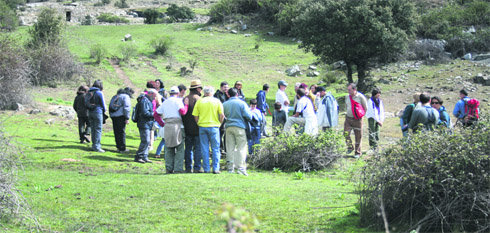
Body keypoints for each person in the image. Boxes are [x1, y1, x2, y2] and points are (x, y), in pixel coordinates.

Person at [155, 86, 189, 173]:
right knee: (180, 148)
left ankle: (169, 168)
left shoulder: (165, 102)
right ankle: (178, 168)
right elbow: (183, 112)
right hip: (178, 126)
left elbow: (156, 114)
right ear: (177, 94)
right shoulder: (178, 101)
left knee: (168, 148)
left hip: (168, 126)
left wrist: (162, 123)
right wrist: (186, 105)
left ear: (170, 93)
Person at [193, 86, 225, 174]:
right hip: (214, 126)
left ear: (204, 92)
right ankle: (216, 168)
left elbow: (195, 115)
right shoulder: (217, 101)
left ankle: (206, 168)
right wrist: (219, 124)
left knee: (204, 148)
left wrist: (198, 123)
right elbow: (222, 115)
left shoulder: (200, 101)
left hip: (203, 126)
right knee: (215, 148)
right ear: (212, 92)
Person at [223, 88, 252, 175]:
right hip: (240, 126)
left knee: (229, 147)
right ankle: (241, 167)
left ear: (228, 94)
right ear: (237, 94)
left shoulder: (225, 104)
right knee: (241, 148)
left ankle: (230, 167)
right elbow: (249, 116)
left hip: (228, 126)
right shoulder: (242, 103)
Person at [182, 80, 203, 173]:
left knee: (188, 148)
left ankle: (188, 167)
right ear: (198, 89)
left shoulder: (185, 98)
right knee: (198, 148)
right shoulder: (198, 99)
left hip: (187, 128)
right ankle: (197, 167)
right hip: (197, 128)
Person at [344, 83, 367, 157]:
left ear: (354, 89)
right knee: (346, 133)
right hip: (348, 118)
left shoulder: (360, 97)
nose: (348, 91)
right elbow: (347, 106)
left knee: (358, 136)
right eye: (348, 90)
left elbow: (365, 107)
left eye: (349, 90)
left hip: (358, 119)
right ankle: (350, 147)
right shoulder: (347, 97)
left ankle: (357, 152)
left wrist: (361, 117)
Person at [135, 89, 157, 163]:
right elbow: (145, 113)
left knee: (147, 141)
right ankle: (139, 156)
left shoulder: (147, 100)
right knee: (145, 140)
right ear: (151, 94)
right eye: (154, 96)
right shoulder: (145, 101)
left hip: (147, 123)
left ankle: (144, 156)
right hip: (144, 123)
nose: (155, 98)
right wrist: (154, 114)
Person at [109, 87, 134, 153]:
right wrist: (127, 117)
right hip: (121, 116)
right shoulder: (126, 97)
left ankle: (118, 147)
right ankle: (122, 148)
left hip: (114, 116)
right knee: (121, 132)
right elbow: (127, 108)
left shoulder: (116, 96)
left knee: (116, 132)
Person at [86, 80, 106, 153]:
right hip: (98, 112)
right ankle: (97, 146)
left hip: (90, 112)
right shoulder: (99, 93)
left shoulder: (89, 92)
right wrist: (104, 110)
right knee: (98, 129)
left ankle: (94, 145)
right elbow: (103, 104)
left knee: (93, 129)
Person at [214, 81, 230, 154]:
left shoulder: (227, 94)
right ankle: (220, 148)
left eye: (227, 87)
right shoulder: (217, 95)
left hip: (227, 116)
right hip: (220, 116)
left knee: (226, 133)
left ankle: (226, 148)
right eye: (224, 87)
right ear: (221, 87)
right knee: (220, 132)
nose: (226, 89)